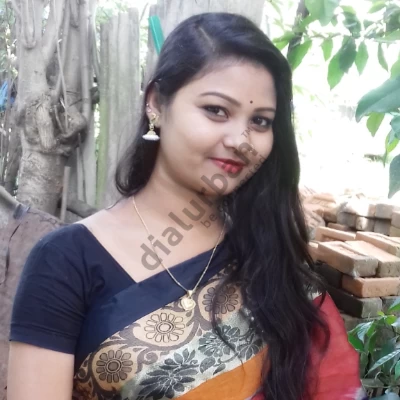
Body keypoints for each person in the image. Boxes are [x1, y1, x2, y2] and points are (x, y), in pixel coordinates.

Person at [7, 12, 367, 400]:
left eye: (261, 121)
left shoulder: (266, 252)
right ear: (156, 105)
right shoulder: (64, 262)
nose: (241, 140)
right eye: (216, 110)